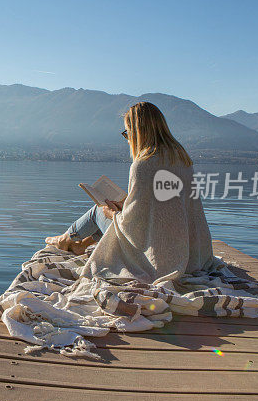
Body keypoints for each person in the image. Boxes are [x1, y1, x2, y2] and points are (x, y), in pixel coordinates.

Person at [44, 101, 215, 283]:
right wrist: (126, 205)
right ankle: (78, 244)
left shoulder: (144, 164)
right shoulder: (182, 160)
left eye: (127, 133)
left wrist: (113, 213)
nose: (128, 139)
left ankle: (65, 239)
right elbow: (164, 209)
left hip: (156, 255)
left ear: (137, 132)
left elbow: (133, 223)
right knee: (112, 211)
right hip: (190, 254)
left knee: (99, 211)